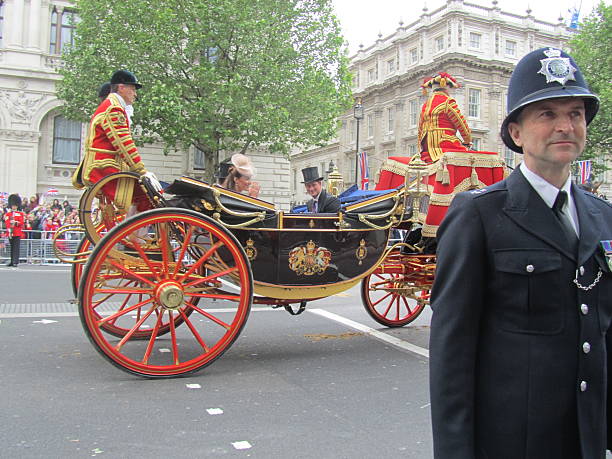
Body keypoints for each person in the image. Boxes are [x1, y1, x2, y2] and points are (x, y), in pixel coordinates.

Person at [429, 47, 612, 459]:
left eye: (575, 113)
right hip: (513, 442)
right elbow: (452, 355)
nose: (565, 125)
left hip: (586, 441)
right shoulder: (478, 215)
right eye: (546, 114)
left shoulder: (604, 217)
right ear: (516, 133)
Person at [72, 70, 162, 212]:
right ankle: (134, 232)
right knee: (151, 195)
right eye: (132, 89)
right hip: (106, 168)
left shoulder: (111, 105)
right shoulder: (114, 108)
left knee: (148, 194)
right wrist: (142, 171)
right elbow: (124, 144)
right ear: (121, 88)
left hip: (104, 166)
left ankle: (132, 231)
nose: (135, 94)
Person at [418, 72, 472, 164]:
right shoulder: (447, 101)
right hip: (445, 145)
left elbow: (420, 129)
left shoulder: (425, 105)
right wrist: (467, 141)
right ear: (446, 87)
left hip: (427, 147)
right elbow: (461, 124)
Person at [3, 194, 25, 267]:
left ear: (17, 206)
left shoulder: (20, 214)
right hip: (10, 232)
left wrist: (15, 223)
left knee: (16, 247)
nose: (14, 207)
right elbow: (6, 222)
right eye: (13, 205)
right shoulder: (8, 214)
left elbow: (21, 222)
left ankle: (15, 261)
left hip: (17, 233)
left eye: (15, 205)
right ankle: (12, 261)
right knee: (12, 247)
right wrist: (9, 228)